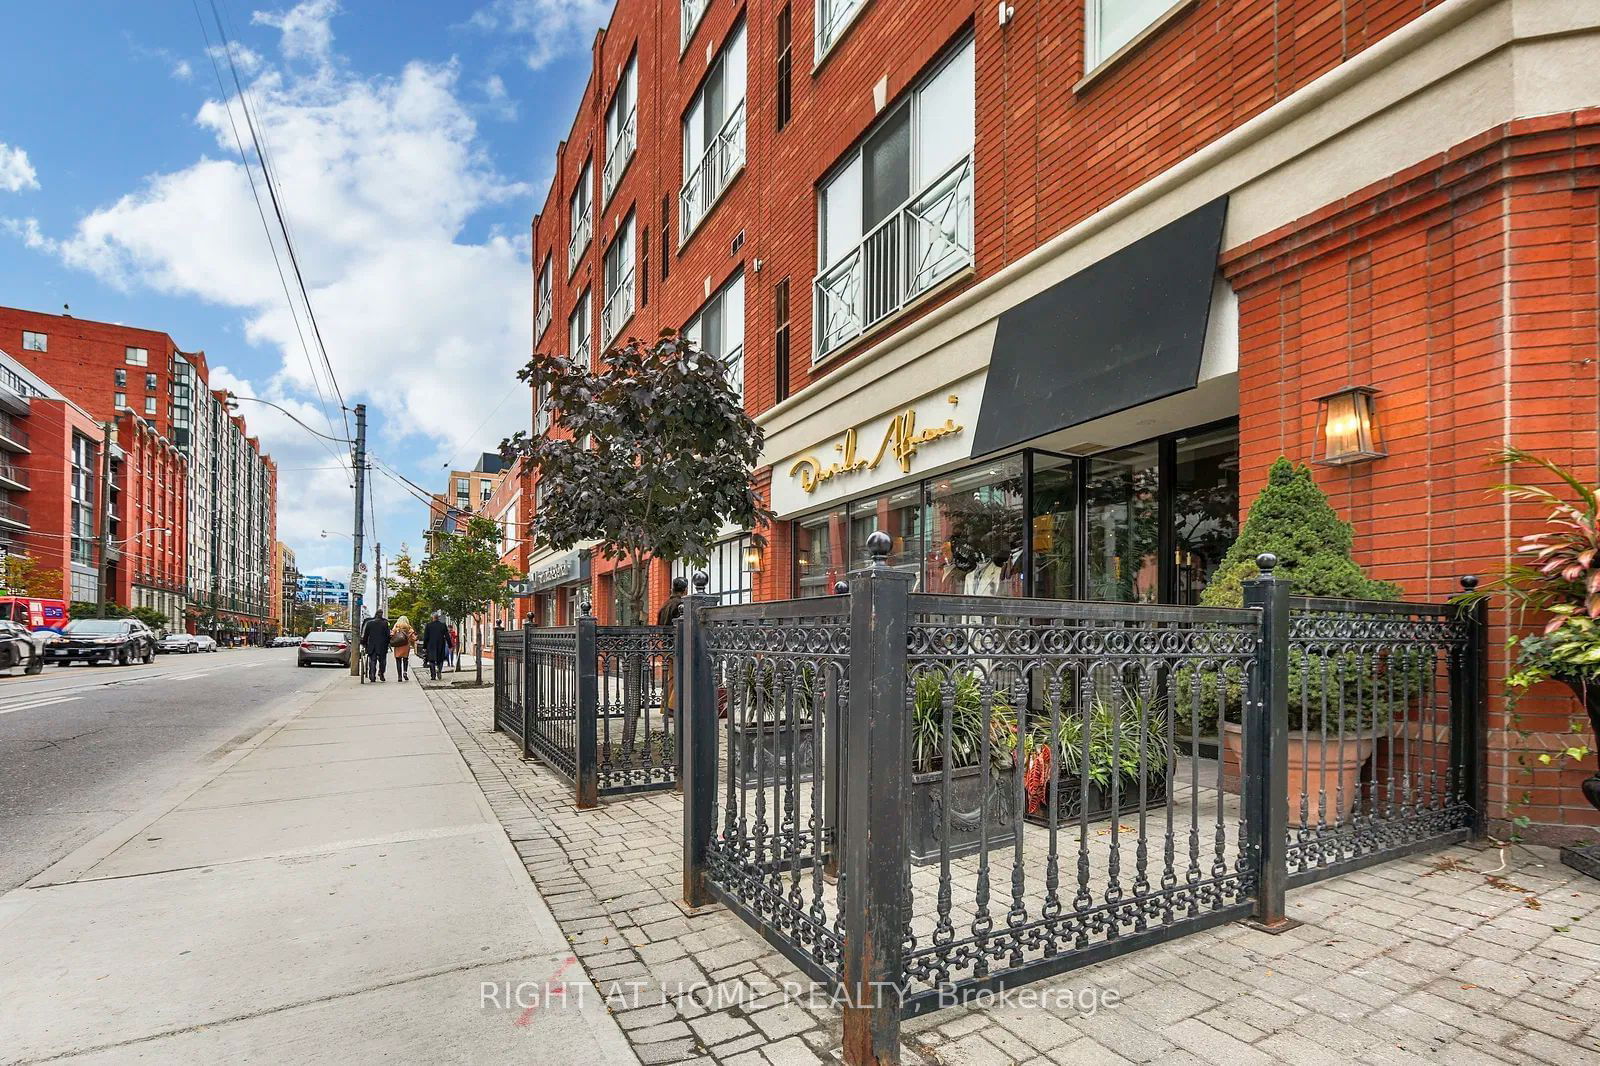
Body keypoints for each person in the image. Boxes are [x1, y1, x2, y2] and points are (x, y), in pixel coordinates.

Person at [656, 576, 689, 716]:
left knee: (672, 677)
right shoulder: (680, 605)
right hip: (676, 646)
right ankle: (672, 707)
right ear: (685, 590)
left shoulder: (665, 605)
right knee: (680, 676)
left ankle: (666, 706)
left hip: (665, 646)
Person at [361, 611, 392, 682]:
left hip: (372, 645)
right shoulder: (385, 623)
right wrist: (388, 643)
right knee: (382, 661)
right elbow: (388, 635)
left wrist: (364, 643)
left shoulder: (369, 623)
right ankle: (381, 673)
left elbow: (366, 635)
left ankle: (372, 674)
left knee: (372, 660)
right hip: (382, 646)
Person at [422, 612, 450, 681]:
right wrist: (450, 645)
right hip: (440, 645)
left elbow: (426, 637)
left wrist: (424, 647)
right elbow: (447, 636)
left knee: (431, 660)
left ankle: (433, 675)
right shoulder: (443, 625)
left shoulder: (428, 626)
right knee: (440, 659)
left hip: (431, 645)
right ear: (438, 618)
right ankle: (439, 670)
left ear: (433, 618)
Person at [389, 615, 416, 682]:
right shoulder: (408, 627)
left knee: (398, 661)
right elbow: (413, 638)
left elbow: (391, 634)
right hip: (406, 646)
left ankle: (399, 676)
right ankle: (405, 672)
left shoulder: (396, 626)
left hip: (398, 646)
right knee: (405, 659)